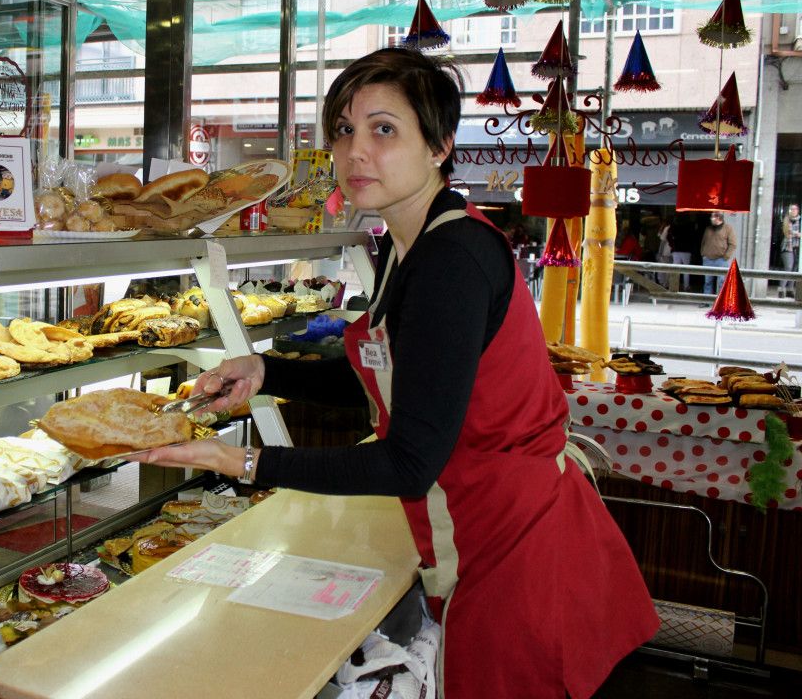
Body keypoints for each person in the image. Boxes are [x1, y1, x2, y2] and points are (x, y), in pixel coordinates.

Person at [131, 48, 658, 698]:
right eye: (345, 129)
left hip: (518, 549)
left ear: (438, 145)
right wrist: (266, 371)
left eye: (385, 129)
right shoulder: (409, 247)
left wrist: (238, 463)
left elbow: (409, 460)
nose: (357, 151)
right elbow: (400, 382)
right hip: (477, 526)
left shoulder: (451, 260)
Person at [700, 211, 737, 294]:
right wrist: (703, 253)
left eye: (712, 217)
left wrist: (726, 256)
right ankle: (706, 300)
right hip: (708, 259)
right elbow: (703, 242)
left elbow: (733, 244)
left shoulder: (728, 228)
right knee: (707, 282)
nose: (711, 219)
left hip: (721, 260)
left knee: (722, 282)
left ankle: (720, 303)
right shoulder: (708, 228)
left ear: (718, 218)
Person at [780, 203, 800, 297]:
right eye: (792, 209)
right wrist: (798, 234)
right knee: (788, 267)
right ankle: (781, 289)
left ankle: (790, 289)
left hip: (797, 248)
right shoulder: (786, 220)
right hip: (787, 247)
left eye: (796, 209)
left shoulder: (800, 221)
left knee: (794, 269)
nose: (794, 211)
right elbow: (787, 231)